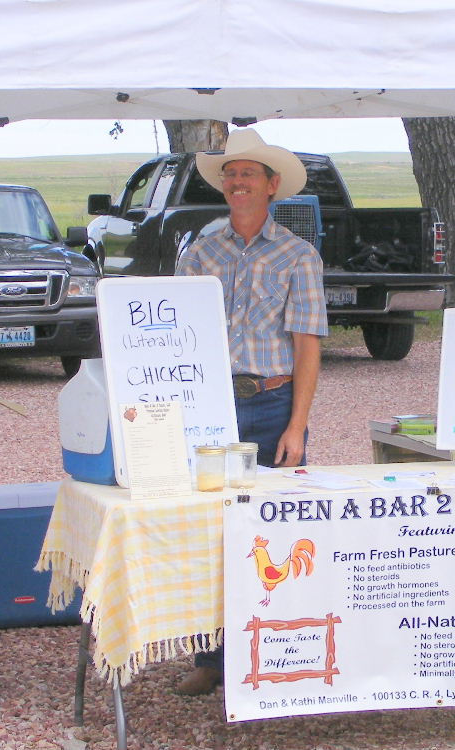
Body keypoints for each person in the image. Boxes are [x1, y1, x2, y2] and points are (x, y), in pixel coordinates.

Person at [172, 128, 327, 695]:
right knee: (208, 528)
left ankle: (281, 649)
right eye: (230, 174)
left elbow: (308, 343)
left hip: (272, 402)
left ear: (272, 186)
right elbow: (176, 336)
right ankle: (211, 658)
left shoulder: (298, 256)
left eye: (248, 174)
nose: (237, 182)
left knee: (277, 531)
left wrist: (296, 425)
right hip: (210, 406)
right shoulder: (200, 255)